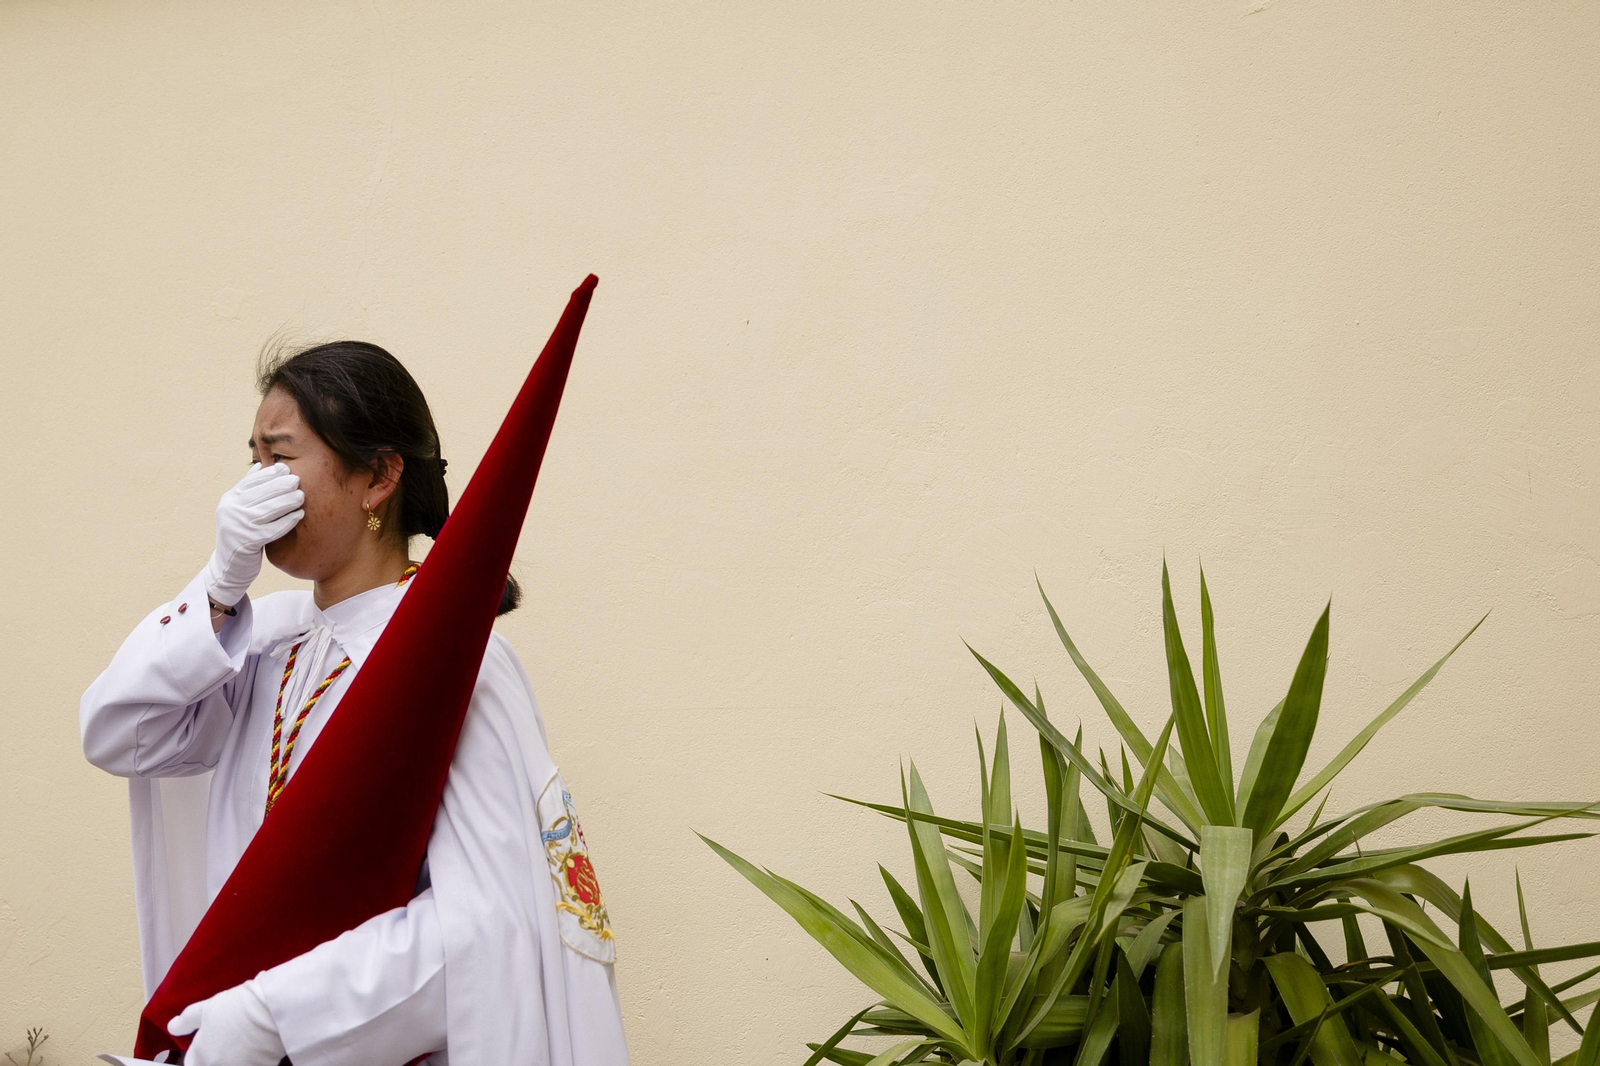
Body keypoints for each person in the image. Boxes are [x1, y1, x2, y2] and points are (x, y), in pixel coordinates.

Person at [80, 341, 628, 1066]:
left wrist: (274, 1016)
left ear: (377, 477)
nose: (255, 489)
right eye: (252, 461)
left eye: (280, 459)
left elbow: (487, 925)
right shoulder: (266, 640)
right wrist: (218, 586)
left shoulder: (455, 660)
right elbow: (120, 733)